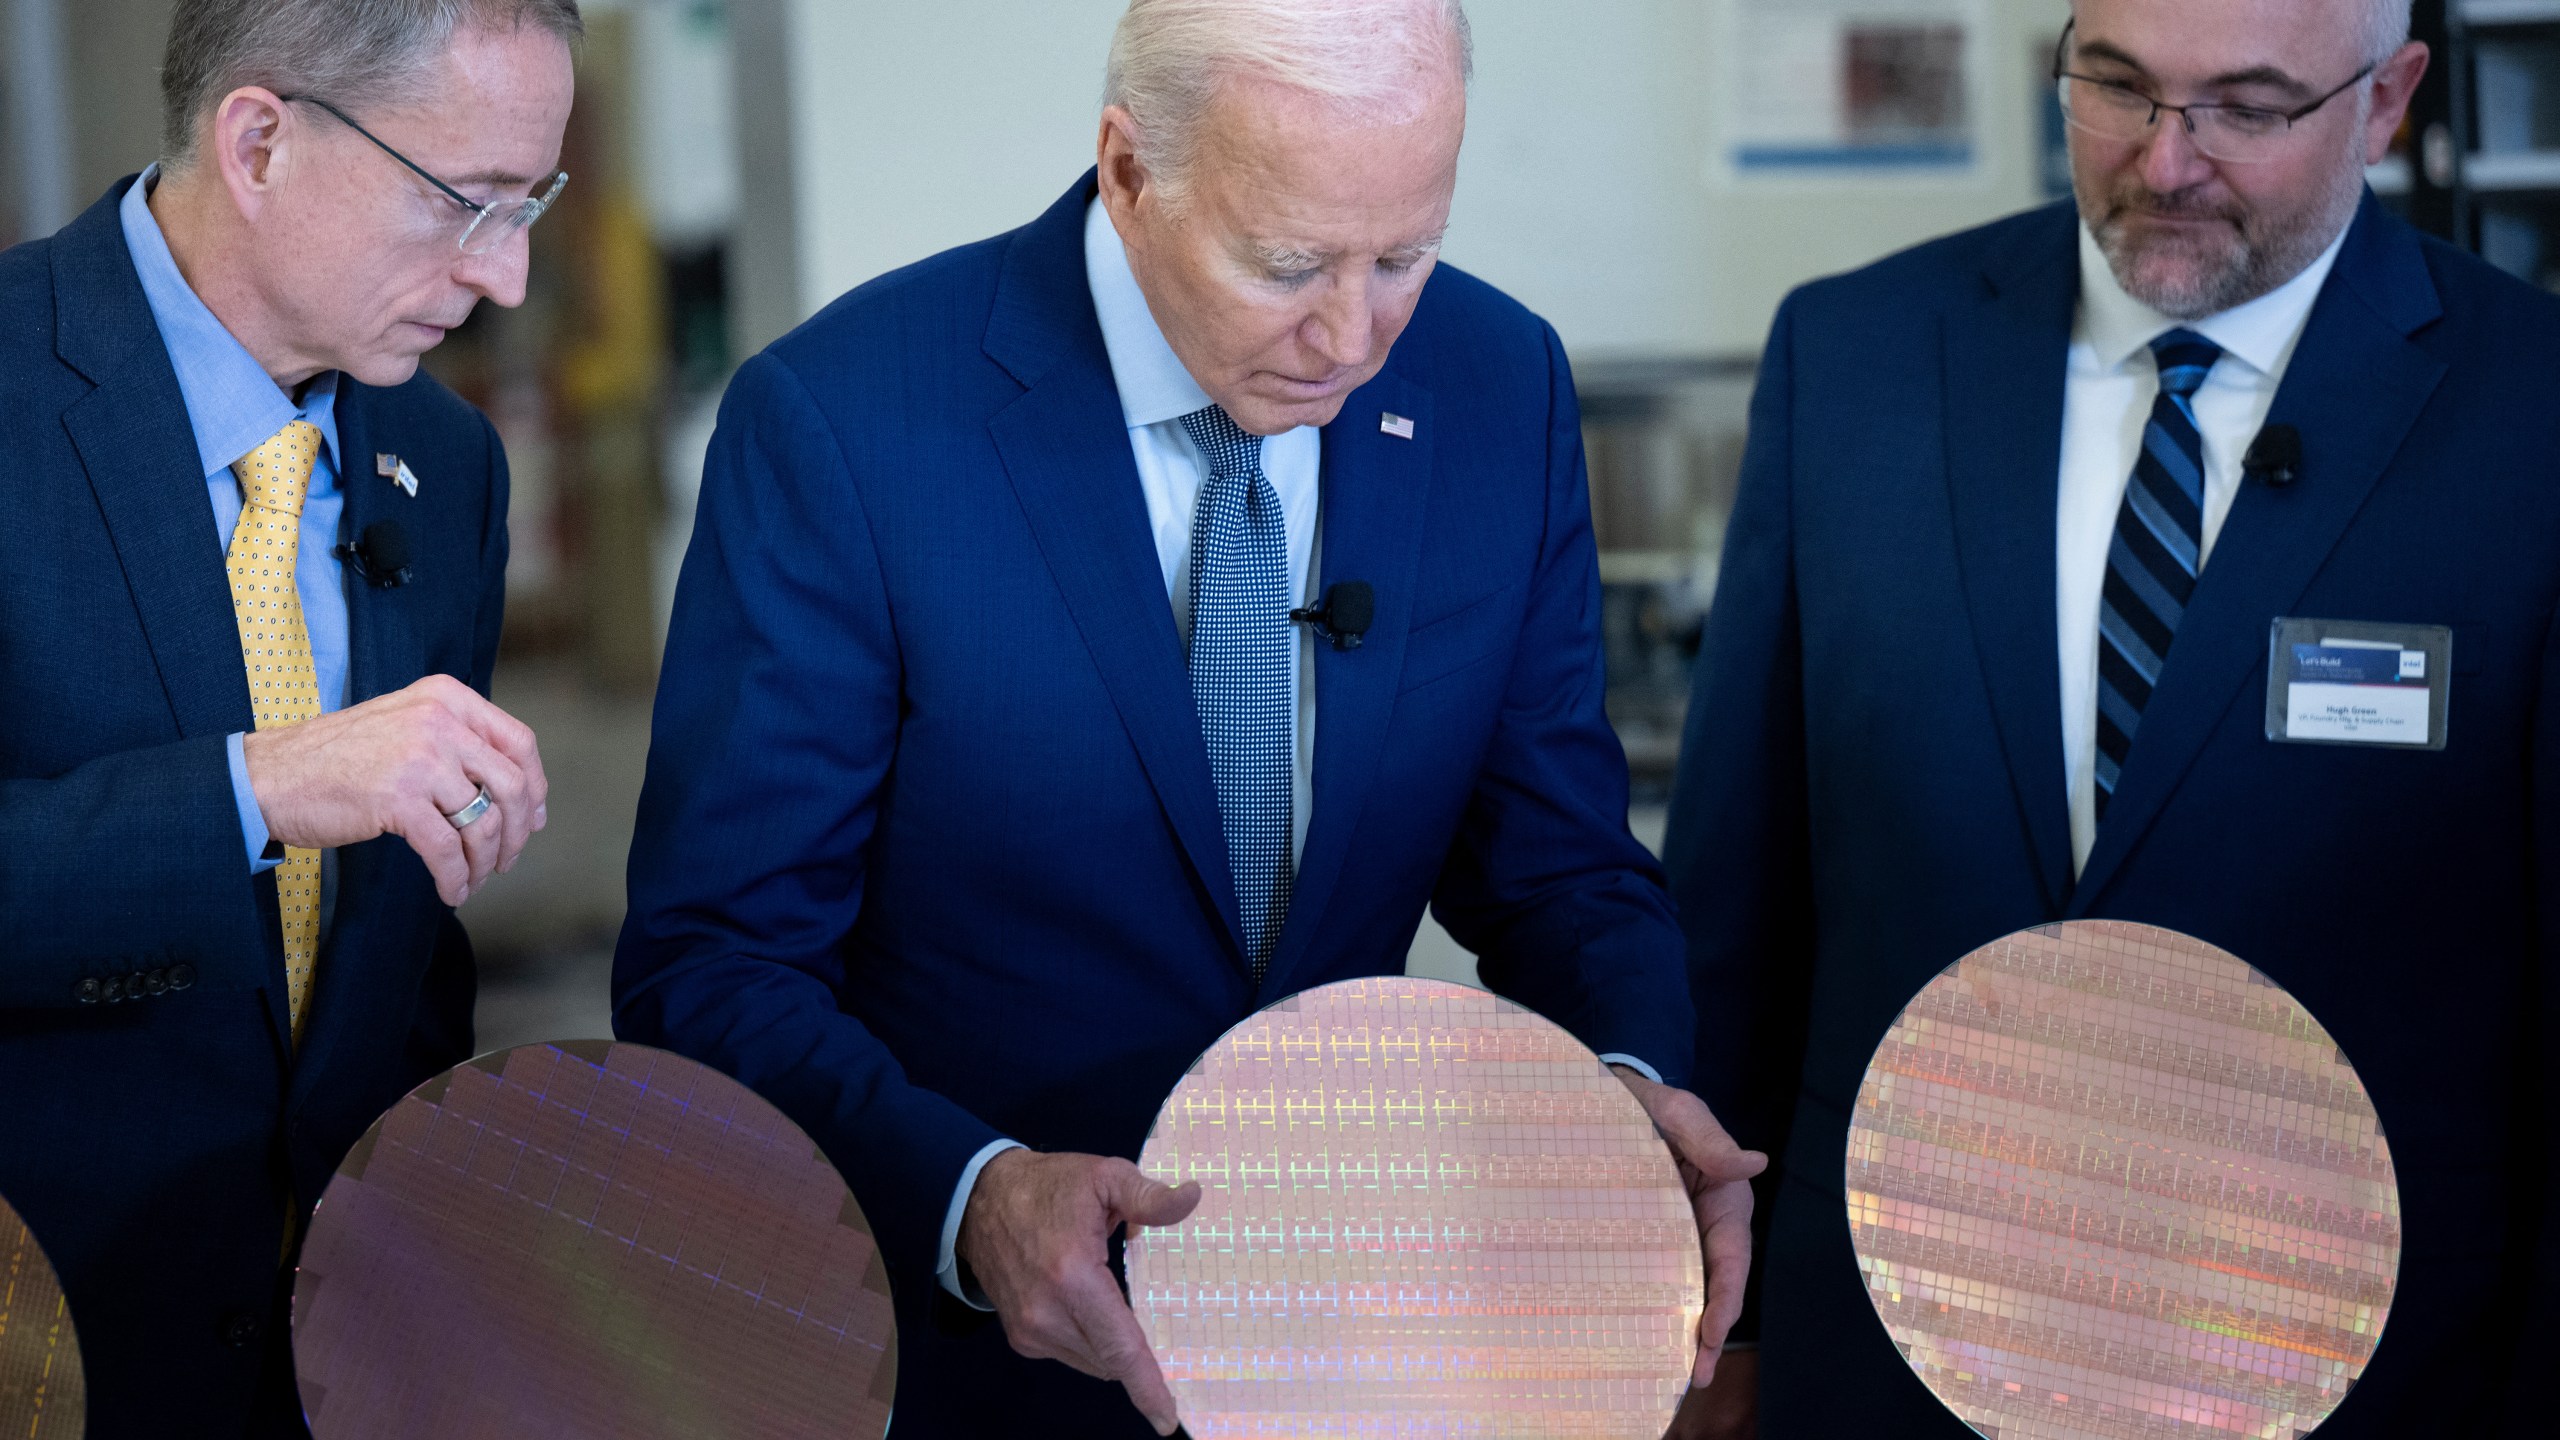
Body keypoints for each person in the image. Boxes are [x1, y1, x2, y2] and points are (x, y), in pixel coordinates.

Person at [616, 1, 1760, 1433]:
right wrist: (971, 1199)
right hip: (966, 1368)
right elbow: (711, 967)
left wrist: (1622, 1092)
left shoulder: (1495, 383)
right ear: (1127, 167)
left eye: (1405, 256)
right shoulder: (846, 421)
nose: (1353, 337)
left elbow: (1564, 869)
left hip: (1367, 1344)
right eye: (1285, 264)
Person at [1665, 0, 2560, 1434]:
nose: (2167, 160)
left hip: (2362, 1363)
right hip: (1888, 1349)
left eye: (2249, 107)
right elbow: (1734, 902)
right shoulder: (1859, 356)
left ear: (2387, 104)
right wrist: (1718, 1322)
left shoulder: (2532, 411)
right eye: (2118, 86)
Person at [0, 2, 573, 1434]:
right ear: (258, 141)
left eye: (533, 205)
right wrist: (253, 793)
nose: (504, 276)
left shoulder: (448, 464)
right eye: (464, 204)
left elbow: (413, 951)